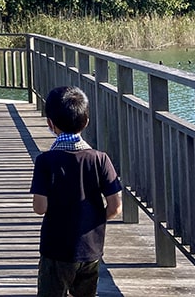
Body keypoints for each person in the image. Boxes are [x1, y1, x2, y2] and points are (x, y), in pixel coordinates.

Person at [30, 85, 123, 297]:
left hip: (56, 248)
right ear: (86, 122)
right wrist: (94, 219)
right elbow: (115, 206)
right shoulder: (100, 159)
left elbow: (39, 207)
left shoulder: (45, 161)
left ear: (50, 124)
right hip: (90, 248)